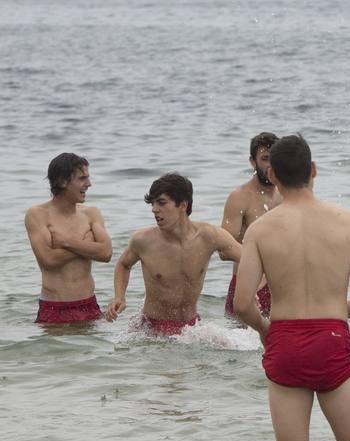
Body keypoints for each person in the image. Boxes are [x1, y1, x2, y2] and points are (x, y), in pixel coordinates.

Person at [233, 134, 350, 441]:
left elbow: (243, 303)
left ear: (272, 174)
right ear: (313, 170)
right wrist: (341, 313)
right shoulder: (346, 222)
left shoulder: (260, 230)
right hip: (332, 339)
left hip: (284, 342)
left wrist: (264, 329)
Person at [106, 173, 242, 335]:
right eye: (153, 204)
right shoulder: (143, 240)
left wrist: (248, 288)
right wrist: (119, 297)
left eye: (161, 203)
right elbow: (123, 264)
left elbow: (247, 258)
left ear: (183, 205)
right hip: (152, 328)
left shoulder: (209, 236)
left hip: (192, 327)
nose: (154, 209)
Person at [25, 153, 113, 324]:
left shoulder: (91, 213)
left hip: (89, 305)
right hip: (53, 308)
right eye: (82, 178)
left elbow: (106, 253)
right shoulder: (37, 214)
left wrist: (67, 242)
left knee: (95, 352)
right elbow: (48, 260)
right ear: (62, 181)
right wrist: (87, 246)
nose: (89, 184)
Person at [221, 132, 280, 318]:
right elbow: (224, 249)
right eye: (264, 159)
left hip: (281, 284)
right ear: (252, 162)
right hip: (248, 283)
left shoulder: (288, 194)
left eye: (275, 158)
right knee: (241, 344)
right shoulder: (239, 197)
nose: (271, 164)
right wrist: (260, 269)